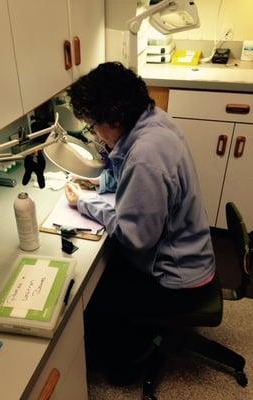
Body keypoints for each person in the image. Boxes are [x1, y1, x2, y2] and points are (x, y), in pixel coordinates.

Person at [65, 62, 216, 382]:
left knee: (91, 297)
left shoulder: (147, 155)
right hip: (193, 255)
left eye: (93, 126)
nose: (94, 133)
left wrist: (85, 203)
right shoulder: (152, 120)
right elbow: (126, 166)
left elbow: (136, 238)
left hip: (179, 280)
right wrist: (102, 184)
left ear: (115, 119)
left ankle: (127, 365)